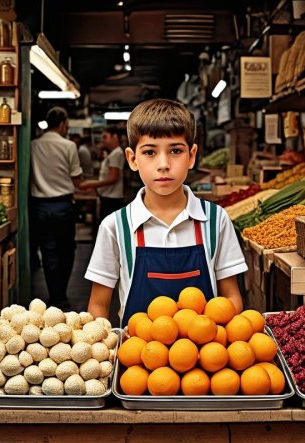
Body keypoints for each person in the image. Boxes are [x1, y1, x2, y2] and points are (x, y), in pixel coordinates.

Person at [85, 99, 247, 324]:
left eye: (175, 151)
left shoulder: (215, 220)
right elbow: (98, 304)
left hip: (206, 354)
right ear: (132, 159)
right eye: (150, 152)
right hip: (138, 354)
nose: (163, 164)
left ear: (191, 156)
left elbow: (231, 296)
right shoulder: (116, 226)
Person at [30, 106, 83, 310]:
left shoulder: (33, 145)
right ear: (62, 124)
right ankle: (62, 295)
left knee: (49, 252)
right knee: (67, 251)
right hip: (63, 205)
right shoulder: (69, 146)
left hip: (40, 206)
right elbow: (77, 179)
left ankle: (54, 296)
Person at [79, 127, 126, 222]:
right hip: (108, 198)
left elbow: (113, 178)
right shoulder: (113, 153)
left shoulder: (117, 154)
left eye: (105, 137)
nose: (103, 140)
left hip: (112, 200)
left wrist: (91, 184)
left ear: (115, 137)